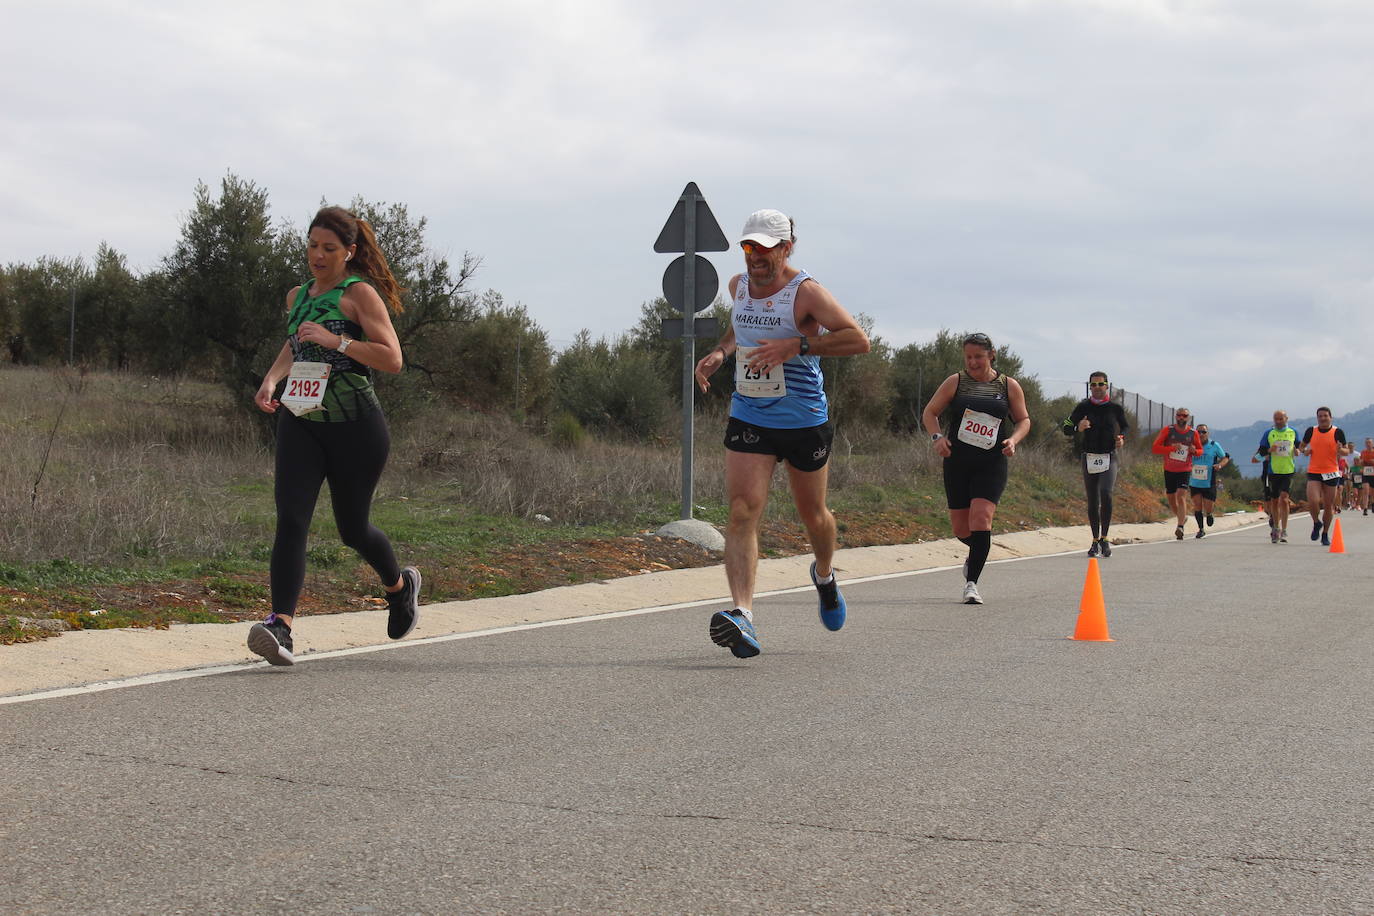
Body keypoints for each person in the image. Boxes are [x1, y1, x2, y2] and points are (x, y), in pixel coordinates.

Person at [247, 206, 422, 666]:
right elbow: (295, 342)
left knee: (352, 529)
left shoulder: (359, 294)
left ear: (349, 251)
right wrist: (271, 379)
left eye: (328, 248)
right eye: (312, 246)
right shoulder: (296, 296)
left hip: (356, 428)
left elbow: (392, 358)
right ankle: (280, 626)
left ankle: (399, 587)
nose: (318, 257)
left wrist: (337, 341)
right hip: (301, 419)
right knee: (291, 519)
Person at [692, 209, 870, 658]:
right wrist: (720, 351)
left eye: (766, 248)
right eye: (749, 247)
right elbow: (740, 325)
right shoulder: (738, 287)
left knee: (814, 516)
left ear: (787, 248)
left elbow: (857, 339)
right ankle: (743, 615)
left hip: (803, 419)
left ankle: (825, 576)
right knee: (741, 510)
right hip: (750, 413)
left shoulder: (805, 293)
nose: (755, 257)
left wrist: (799, 344)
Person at [921, 333, 1032, 604]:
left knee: (981, 519)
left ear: (991, 355)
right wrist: (937, 438)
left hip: (991, 462)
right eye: (968, 357)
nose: (973, 362)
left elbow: (1024, 420)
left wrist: (1013, 440)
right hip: (958, 462)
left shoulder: (1008, 386)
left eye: (978, 357)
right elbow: (930, 413)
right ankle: (979, 552)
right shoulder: (956, 382)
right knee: (961, 529)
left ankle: (972, 583)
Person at [1063, 371, 1129, 557]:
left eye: (1101, 384)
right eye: (1094, 385)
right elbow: (1067, 427)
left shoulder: (1115, 408)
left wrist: (1122, 437)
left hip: (1109, 456)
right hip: (1089, 457)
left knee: (1106, 493)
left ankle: (1105, 538)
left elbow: (1125, 426)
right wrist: (1078, 427)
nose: (1097, 388)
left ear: (1107, 386)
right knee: (1093, 499)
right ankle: (1094, 541)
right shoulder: (1083, 407)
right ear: (1089, 387)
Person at [1297, 406, 1351, 546]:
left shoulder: (1337, 432)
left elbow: (1346, 451)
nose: (1322, 418)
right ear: (1317, 418)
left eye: (1325, 416)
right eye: (1320, 416)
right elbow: (1302, 447)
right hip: (1314, 471)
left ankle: (1325, 534)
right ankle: (1316, 523)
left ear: (1330, 417)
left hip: (1331, 472)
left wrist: (1341, 449)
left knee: (1328, 505)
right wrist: (1305, 451)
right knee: (1313, 501)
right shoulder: (1311, 431)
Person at [1151, 408, 1203, 540]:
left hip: (1185, 469)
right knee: (1171, 499)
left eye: (1184, 416)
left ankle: (1180, 527)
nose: (1181, 418)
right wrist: (1171, 448)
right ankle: (1182, 518)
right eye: (1179, 415)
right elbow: (1155, 448)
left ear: (1188, 418)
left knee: (1181, 496)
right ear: (1176, 417)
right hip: (1169, 469)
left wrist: (1194, 451)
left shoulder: (1193, 433)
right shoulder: (1168, 430)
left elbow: (1200, 450)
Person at [1253, 410, 1297, 543]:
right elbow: (1260, 452)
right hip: (1273, 471)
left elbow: (1299, 446)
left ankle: (1284, 529)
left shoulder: (1293, 432)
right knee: (1274, 501)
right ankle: (1275, 528)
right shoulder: (1269, 433)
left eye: (1280, 419)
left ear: (1286, 418)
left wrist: (1298, 450)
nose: (1278, 421)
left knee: (1284, 499)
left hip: (1288, 470)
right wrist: (1269, 450)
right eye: (1276, 419)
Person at [1188, 424, 1229, 537]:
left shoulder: (1214, 445)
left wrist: (1219, 465)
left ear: (1208, 433)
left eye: (1203, 432)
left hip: (1209, 482)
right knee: (1197, 505)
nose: (1201, 434)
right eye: (1199, 432)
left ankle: (1210, 514)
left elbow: (1225, 457)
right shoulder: (1191, 445)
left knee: (1208, 507)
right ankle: (1201, 529)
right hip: (1194, 481)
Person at [1359, 438, 1374, 515]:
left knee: (1372, 492)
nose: (1368, 444)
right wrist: (1361, 464)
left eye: (1369, 443)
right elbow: (1360, 462)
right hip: (1365, 473)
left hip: (1373, 474)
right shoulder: (1363, 452)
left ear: (1372, 444)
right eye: (1367, 443)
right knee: (1366, 490)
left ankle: (1372, 504)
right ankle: (1365, 508)